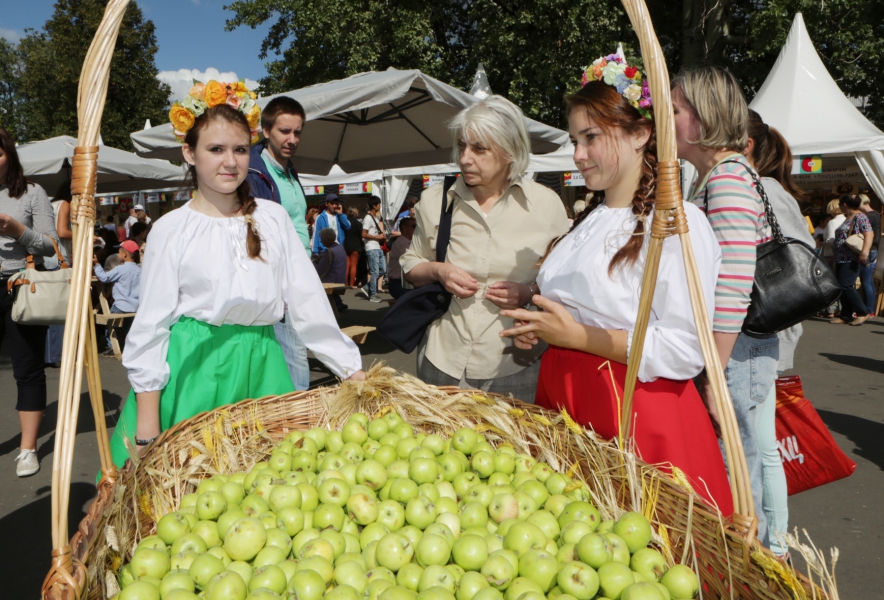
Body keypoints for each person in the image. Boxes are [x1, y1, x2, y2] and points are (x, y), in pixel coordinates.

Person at [499, 53, 732, 513]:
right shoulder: (587, 221)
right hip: (569, 402)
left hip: (634, 413)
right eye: (574, 140)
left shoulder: (679, 224)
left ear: (641, 134)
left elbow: (686, 347)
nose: (578, 154)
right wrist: (543, 332)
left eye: (591, 138)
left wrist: (577, 336)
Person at [110, 91, 364, 469]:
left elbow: (308, 302)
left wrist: (352, 371)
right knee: (189, 496)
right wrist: (148, 426)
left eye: (241, 150)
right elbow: (152, 325)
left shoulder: (273, 218)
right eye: (215, 149)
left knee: (267, 496)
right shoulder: (171, 229)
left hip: (264, 367)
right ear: (189, 152)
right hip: (194, 371)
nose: (230, 162)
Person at [401, 95, 569, 401]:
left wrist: (528, 292)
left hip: (516, 366)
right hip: (442, 359)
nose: (465, 158)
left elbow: (566, 282)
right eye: (462, 145)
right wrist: (438, 270)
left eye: (479, 149)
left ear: (510, 151)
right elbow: (411, 264)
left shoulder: (546, 205)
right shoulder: (436, 200)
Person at [672, 65, 776, 545]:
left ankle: (750, 565)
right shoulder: (715, 177)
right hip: (729, 347)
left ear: (702, 117)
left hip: (731, 348)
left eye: (673, 111)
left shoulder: (727, 179)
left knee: (738, 458)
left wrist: (713, 368)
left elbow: (734, 283)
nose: (664, 122)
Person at [744, 109, 816, 556]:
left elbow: (801, 258)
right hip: (761, 326)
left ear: (746, 145)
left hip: (765, 327)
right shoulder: (757, 186)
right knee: (759, 439)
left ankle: (776, 542)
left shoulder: (764, 189)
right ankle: (774, 540)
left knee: (762, 442)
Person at [0, 127, 60, 477]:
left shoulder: (31, 192)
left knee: (27, 368)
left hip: (20, 283)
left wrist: (17, 230)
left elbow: (52, 247)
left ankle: (27, 448)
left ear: (10, 155)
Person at [245, 96, 313, 391]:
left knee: (290, 352)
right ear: (266, 130)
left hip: (301, 274)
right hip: (279, 277)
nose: (292, 139)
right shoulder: (254, 171)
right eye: (284, 131)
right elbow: (254, 229)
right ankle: (300, 425)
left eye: (297, 132)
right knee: (295, 354)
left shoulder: (289, 169)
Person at [830, 194, 874, 326]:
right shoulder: (848, 218)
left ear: (844, 204)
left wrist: (864, 252)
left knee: (846, 285)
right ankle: (846, 315)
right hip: (841, 257)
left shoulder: (859, 216)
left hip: (851, 257)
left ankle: (862, 312)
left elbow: (869, 233)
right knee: (840, 286)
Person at [93, 240, 142, 355]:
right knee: (129, 327)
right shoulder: (140, 270)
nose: (117, 255)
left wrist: (97, 265)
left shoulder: (120, 269)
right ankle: (128, 345)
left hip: (120, 306)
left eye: (119, 252)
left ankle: (112, 346)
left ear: (124, 254)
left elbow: (104, 278)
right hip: (135, 306)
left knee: (110, 325)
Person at [45, 182, 74, 367]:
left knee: (47, 313)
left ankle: (50, 354)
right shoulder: (65, 204)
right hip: (59, 260)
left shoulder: (51, 204)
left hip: (48, 260)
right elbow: (62, 231)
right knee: (59, 312)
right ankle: (56, 355)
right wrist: (85, 233)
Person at [314, 228, 348, 312]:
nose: (321, 241)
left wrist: (312, 263)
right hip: (340, 278)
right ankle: (338, 302)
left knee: (314, 281)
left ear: (326, 239)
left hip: (332, 280)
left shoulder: (329, 252)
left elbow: (319, 270)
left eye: (322, 239)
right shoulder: (340, 247)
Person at [360, 196, 387, 302]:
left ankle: (367, 287)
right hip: (371, 247)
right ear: (374, 205)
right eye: (378, 204)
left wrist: (381, 237)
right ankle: (373, 295)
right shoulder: (368, 218)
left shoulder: (375, 218)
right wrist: (377, 237)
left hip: (377, 247)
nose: (380, 206)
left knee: (382, 270)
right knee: (375, 271)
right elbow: (364, 234)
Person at [858, 194, 880, 315]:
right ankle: (870, 309)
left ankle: (868, 310)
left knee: (866, 280)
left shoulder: (870, 216)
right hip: (873, 249)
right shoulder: (875, 214)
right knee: (868, 280)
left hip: (869, 249)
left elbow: (867, 234)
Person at [387, 217, 415, 299]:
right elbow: (411, 261)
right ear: (404, 227)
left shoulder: (410, 243)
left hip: (406, 282)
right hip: (398, 284)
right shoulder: (400, 244)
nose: (416, 229)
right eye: (414, 226)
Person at [343, 206, 364, 287]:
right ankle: (352, 283)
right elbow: (361, 235)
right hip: (355, 246)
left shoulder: (345, 223)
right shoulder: (358, 224)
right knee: (353, 265)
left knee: (347, 265)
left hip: (346, 245)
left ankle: (345, 282)